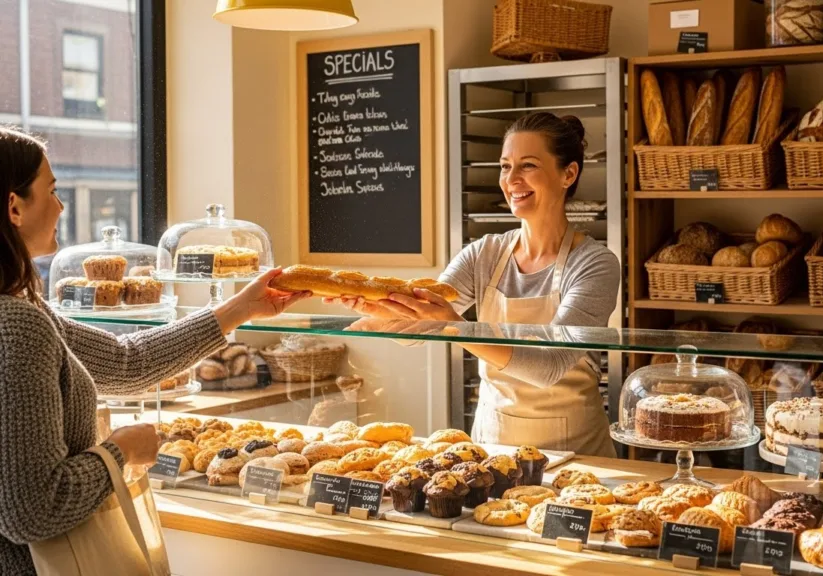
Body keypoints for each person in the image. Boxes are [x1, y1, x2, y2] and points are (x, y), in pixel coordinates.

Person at [0, 126, 311, 575]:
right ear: (14, 207)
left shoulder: (24, 311)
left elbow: (125, 362)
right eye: (51, 190)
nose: (61, 205)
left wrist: (241, 307)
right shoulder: (15, 325)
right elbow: (32, 511)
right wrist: (120, 451)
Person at [337, 113, 620, 457]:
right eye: (505, 166)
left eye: (528, 165)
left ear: (568, 174)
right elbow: (421, 327)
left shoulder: (594, 264)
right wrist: (375, 308)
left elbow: (550, 367)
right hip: (492, 445)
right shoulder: (483, 254)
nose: (511, 180)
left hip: (576, 453)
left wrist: (455, 326)